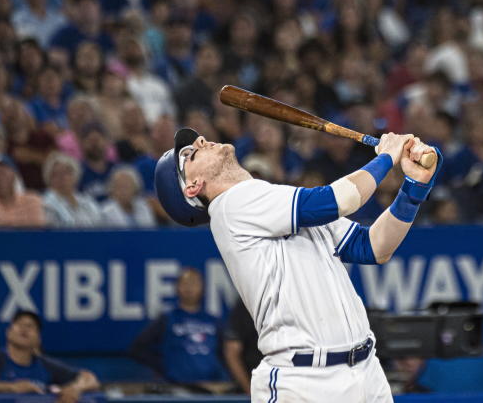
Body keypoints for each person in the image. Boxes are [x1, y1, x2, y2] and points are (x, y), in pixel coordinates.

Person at [153, 127, 441, 401]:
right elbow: (340, 199)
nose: (201, 141)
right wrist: (387, 157)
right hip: (305, 380)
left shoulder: (274, 199)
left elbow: (374, 247)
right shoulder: (230, 205)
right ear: (193, 187)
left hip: (365, 370)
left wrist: (413, 188)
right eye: (190, 154)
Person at [0, 309, 99, 402]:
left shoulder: (46, 365)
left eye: (30, 326)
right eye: (19, 325)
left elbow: (89, 378)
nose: (24, 329)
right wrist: (11, 387)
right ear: (8, 332)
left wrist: (75, 389)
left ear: (38, 339)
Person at [128, 267, 229, 387]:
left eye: (194, 283)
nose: (189, 288)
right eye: (185, 283)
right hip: (176, 388)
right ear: (177, 287)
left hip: (210, 388)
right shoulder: (167, 318)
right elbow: (137, 348)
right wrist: (165, 367)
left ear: (203, 288)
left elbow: (227, 353)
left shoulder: (213, 321)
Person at [222, 296, 262, 394]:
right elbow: (232, 352)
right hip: (256, 384)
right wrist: (250, 392)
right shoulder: (246, 305)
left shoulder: (290, 303)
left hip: (288, 381)